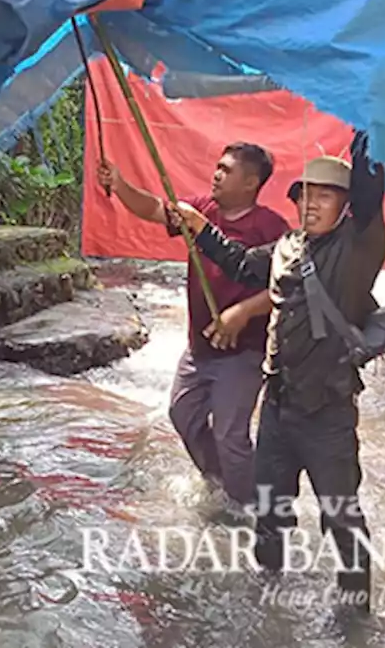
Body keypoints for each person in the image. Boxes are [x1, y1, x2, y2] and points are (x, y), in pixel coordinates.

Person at [171, 131, 385, 614]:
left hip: (328, 413)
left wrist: (366, 122)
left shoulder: (358, 249)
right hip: (277, 409)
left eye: (326, 195)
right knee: (269, 514)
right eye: (306, 194)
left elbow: (372, 190)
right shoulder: (288, 248)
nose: (312, 204)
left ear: (347, 205)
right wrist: (202, 231)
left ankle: (355, 613)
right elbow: (239, 262)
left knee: (340, 517)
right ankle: (265, 599)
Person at [98, 144, 289, 509]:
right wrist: (121, 185)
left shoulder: (271, 227)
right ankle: (220, 483)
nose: (216, 173)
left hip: (244, 350)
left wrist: (244, 311)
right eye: (217, 166)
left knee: (230, 433)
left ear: (251, 182)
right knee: (182, 414)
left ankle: (249, 509)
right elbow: (154, 208)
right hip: (200, 347)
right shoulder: (201, 210)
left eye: (226, 169)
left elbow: (286, 286)